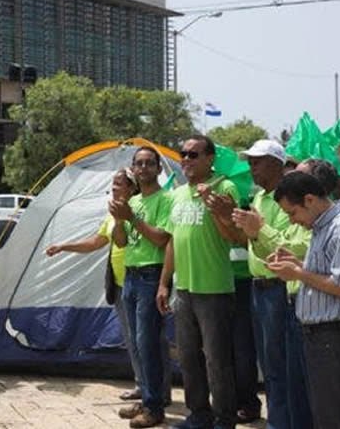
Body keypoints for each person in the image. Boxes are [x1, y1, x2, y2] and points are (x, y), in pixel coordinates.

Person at [269, 171, 340, 429]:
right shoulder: (322, 226)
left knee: (335, 416)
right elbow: (326, 274)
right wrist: (297, 265)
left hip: (334, 336)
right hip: (320, 337)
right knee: (325, 413)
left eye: (292, 213)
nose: (292, 221)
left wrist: (298, 273)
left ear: (309, 200)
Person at [44, 169, 149, 410]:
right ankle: (142, 385)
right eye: (112, 184)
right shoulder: (112, 214)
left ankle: (156, 389)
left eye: (119, 184)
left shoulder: (139, 208)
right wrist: (63, 246)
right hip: (121, 284)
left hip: (143, 281)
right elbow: (96, 242)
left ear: (132, 188)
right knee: (132, 338)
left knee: (147, 338)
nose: (113, 188)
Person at [156, 135, 240, 429]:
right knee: (189, 358)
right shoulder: (178, 194)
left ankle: (224, 419)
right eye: (183, 154)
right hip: (184, 290)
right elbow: (172, 243)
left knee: (217, 361)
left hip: (214, 289)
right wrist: (164, 283)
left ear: (210, 158)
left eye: (194, 155)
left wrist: (216, 209)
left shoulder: (225, 187)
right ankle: (198, 416)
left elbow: (233, 237)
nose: (186, 160)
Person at [231, 140, 313, 429]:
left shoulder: (288, 200)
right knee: (270, 367)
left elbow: (287, 248)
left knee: (283, 368)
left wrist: (258, 229)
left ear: (277, 164)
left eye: (258, 161)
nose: (251, 167)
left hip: (279, 288)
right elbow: (251, 242)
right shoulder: (257, 198)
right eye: (250, 162)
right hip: (258, 288)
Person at [110, 147, 174, 429]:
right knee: (137, 343)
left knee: (148, 344)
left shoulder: (166, 199)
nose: (144, 167)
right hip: (131, 276)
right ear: (133, 169)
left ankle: (154, 407)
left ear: (159, 169)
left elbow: (162, 239)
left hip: (151, 274)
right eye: (139, 164)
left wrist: (132, 218)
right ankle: (148, 398)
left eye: (150, 163)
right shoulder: (133, 201)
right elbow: (122, 242)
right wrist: (119, 218)